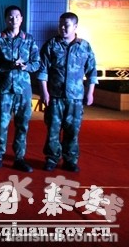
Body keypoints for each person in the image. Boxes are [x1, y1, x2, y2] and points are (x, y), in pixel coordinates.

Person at [38, 12, 97, 173]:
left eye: (66, 25)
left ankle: (70, 160)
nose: (62, 28)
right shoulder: (51, 45)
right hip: (55, 96)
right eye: (60, 25)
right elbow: (43, 70)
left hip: (75, 98)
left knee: (72, 130)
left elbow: (92, 71)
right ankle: (51, 158)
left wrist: (90, 93)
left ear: (75, 27)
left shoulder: (84, 46)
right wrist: (44, 92)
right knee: (53, 129)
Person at [0, 5, 40, 173]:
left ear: (21, 19)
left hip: (23, 90)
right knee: (1, 124)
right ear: (6, 19)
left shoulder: (29, 39)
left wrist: (26, 66)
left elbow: (37, 63)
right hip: (5, 89)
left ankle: (19, 158)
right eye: (10, 17)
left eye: (17, 16)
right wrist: (8, 65)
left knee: (22, 125)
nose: (14, 19)